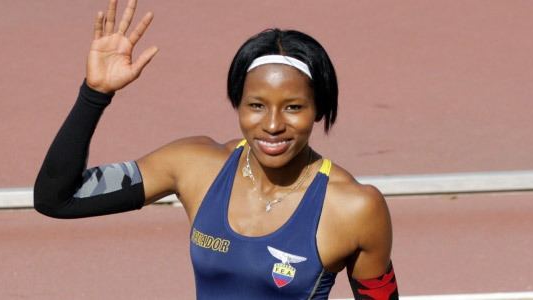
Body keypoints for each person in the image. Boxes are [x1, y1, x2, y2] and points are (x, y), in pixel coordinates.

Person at [34, 0, 399, 299]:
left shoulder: (354, 207)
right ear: (237, 104)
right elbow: (57, 198)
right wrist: (95, 94)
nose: (272, 125)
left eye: (293, 107)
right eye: (256, 106)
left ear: (318, 110)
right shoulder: (196, 166)